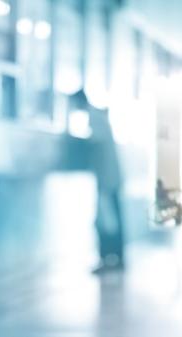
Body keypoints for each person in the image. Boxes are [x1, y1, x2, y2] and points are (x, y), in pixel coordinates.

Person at [69, 89, 125, 274]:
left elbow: (95, 142)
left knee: (106, 220)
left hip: (107, 177)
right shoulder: (98, 115)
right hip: (110, 175)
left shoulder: (94, 117)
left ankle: (108, 259)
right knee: (112, 218)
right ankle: (115, 258)